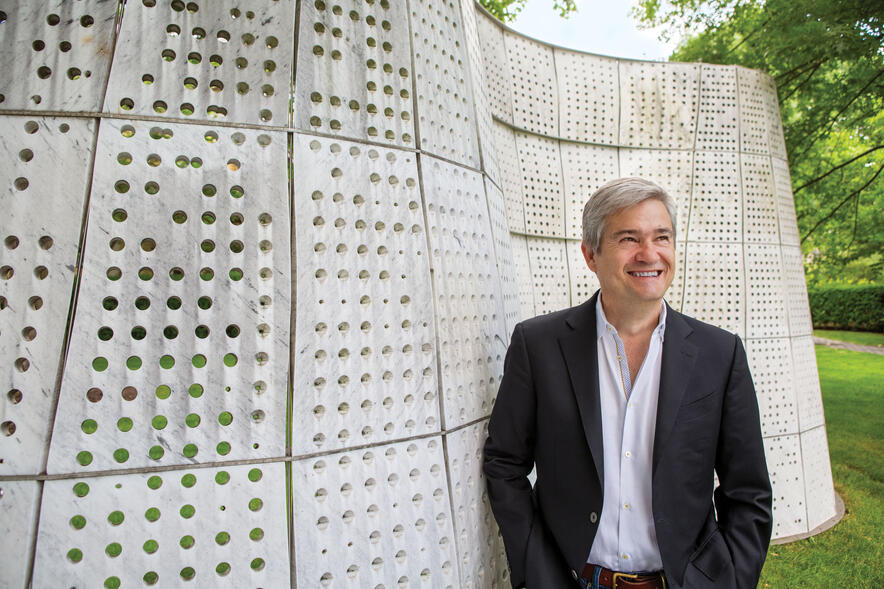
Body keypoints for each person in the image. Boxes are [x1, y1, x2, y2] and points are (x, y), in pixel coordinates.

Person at [483, 178, 772, 589]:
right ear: (590, 254)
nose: (649, 254)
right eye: (628, 238)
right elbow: (504, 464)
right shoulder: (538, 346)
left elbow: (749, 490)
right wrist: (538, 572)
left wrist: (731, 578)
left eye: (662, 237)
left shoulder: (719, 354)